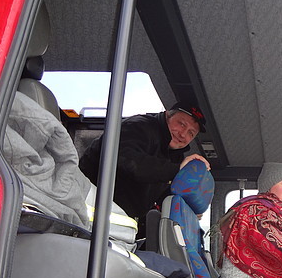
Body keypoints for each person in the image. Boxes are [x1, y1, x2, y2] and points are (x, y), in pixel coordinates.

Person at [79, 101, 210, 236]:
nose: (183, 134)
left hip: (121, 225)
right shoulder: (138, 126)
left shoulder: (175, 156)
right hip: (89, 214)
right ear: (167, 115)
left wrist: (187, 208)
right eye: (181, 124)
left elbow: (162, 192)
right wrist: (177, 170)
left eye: (191, 133)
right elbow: (129, 161)